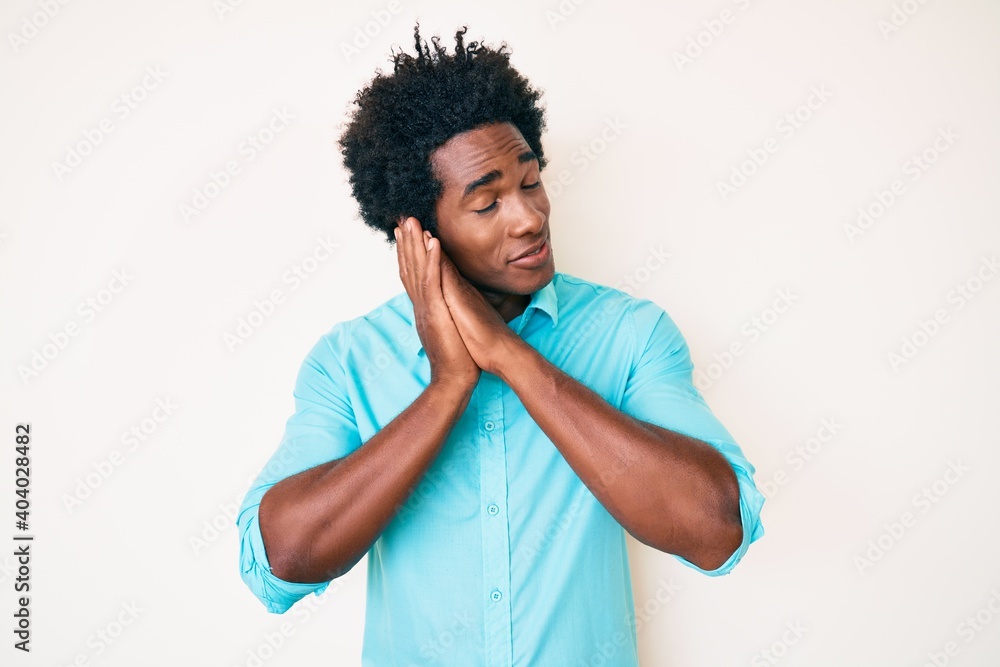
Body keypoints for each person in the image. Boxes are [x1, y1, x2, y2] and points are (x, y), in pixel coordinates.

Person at [237, 22, 765, 665]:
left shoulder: (631, 335)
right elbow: (281, 563)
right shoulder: (348, 363)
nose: (530, 216)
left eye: (531, 180)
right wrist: (447, 387)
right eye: (487, 204)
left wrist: (510, 356)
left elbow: (716, 529)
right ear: (419, 232)